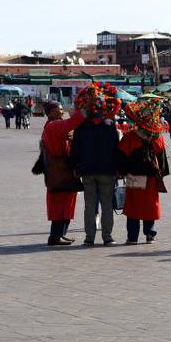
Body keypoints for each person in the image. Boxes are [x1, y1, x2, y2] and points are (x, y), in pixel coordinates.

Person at [70, 83, 121, 246]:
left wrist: (75, 167)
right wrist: (118, 168)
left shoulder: (82, 126)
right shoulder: (110, 126)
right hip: (107, 170)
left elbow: (75, 148)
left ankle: (89, 237)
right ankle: (107, 236)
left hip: (87, 170)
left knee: (89, 204)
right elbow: (116, 148)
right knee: (106, 203)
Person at [118, 98, 170, 244]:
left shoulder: (130, 137)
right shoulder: (157, 138)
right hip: (152, 177)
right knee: (150, 205)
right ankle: (150, 233)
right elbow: (162, 160)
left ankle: (132, 236)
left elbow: (122, 156)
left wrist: (121, 172)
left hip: (134, 175)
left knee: (133, 206)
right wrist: (162, 175)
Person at [41, 101, 87, 246]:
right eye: (59, 110)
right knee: (60, 204)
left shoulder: (53, 125)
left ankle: (60, 234)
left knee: (66, 203)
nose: (62, 112)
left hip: (62, 170)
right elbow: (71, 123)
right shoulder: (53, 125)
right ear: (50, 112)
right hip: (60, 171)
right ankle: (55, 236)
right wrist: (86, 109)